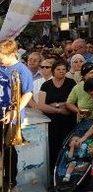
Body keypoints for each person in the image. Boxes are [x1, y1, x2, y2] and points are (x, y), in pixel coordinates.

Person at [0, 39, 34, 190]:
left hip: (11, 115)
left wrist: (15, 110)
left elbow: (27, 94)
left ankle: (11, 182)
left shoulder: (22, 70)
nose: (0, 59)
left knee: (8, 150)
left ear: (12, 54)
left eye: (2, 56)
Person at [39, 58, 77, 172]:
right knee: (52, 147)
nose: (61, 71)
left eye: (64, 69)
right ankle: (52, 172)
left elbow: (72, 102)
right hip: (52, 123)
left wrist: (55, 104)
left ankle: (66, 171)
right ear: (53, 71)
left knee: (67, 146)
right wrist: (59, 109)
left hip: (68, 122)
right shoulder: (46, 85)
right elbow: (41, 105)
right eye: (58, 69)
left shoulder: (71, 83)